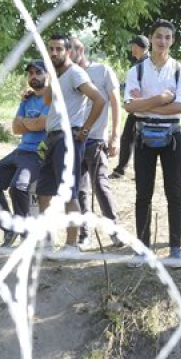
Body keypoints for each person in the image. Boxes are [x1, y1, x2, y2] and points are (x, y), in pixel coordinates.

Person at [124, 19, 181, 262]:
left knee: (174, 192)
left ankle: (175, 248)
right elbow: (129, 107)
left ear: (172, 41)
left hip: (172, 136)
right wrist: (163, 98)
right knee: (143, 193)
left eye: (167, 37)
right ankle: (142, 247)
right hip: (143, 136)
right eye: (158, 36)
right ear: (150, 38)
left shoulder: (180, 70)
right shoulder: (136, 71)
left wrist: (145, 103)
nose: (162, 41)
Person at [35, 34, 105, 254]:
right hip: (51, 138)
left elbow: (99, 99)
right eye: (51, 49)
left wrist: (85, 130)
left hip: (68, 139)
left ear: (68, 51)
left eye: (59, 49)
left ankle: (72, 245)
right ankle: (48, 242)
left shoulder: (75, 73)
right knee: (44, 191)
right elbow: (47, 100)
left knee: (69, 193)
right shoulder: (56, 74)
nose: (54, 53)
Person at [0, 60, 49, 248]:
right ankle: (9, 229)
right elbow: (15, 128)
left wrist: (27, 122)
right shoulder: (27, 100)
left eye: (38, 72)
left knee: (19, 187)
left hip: (38, 154)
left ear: (48, 75)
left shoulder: (51, 98)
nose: (34, 76)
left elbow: (41, 124)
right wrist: (32, 122)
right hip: (21, 150)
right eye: (30, 73)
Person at [70, 38, 124, 249]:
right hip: (73, 141)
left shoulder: (103, 71)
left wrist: (115, 135)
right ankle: (85, 235)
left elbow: (115, 102)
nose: (66, 54)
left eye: (70, 49)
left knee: (100, 185)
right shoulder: (65, 75)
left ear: (80, 49)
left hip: (96, 139)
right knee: (79, 190)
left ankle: (115, 231)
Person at [110, 35, 150, 180]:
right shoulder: (140, 64)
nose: (131, 48)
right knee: (129, 139)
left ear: (138, 47)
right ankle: (122, 169)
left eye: (133, 45)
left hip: (143, 111)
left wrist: (141, 97)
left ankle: (127, 170)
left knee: (136, 142)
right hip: (136, 109)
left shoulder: (147, 65)